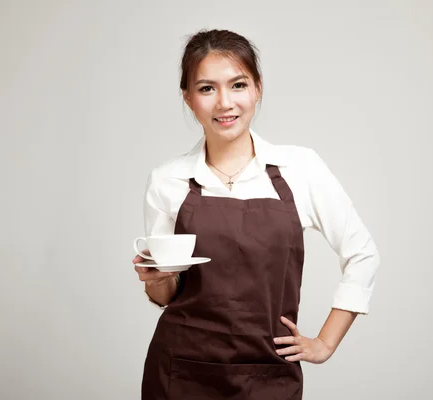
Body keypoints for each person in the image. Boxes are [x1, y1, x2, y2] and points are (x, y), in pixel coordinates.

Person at [132, 29, 380, 399]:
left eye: (237, 85)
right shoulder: (168, 180)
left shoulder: (301, 168)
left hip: (268, 371)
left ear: (257, 88)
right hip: (182, 370)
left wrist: (326, 343)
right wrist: (153, 280)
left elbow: (363, 254)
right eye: (206, 89)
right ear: (188, 98)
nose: (224, 103)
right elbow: (168, 292)